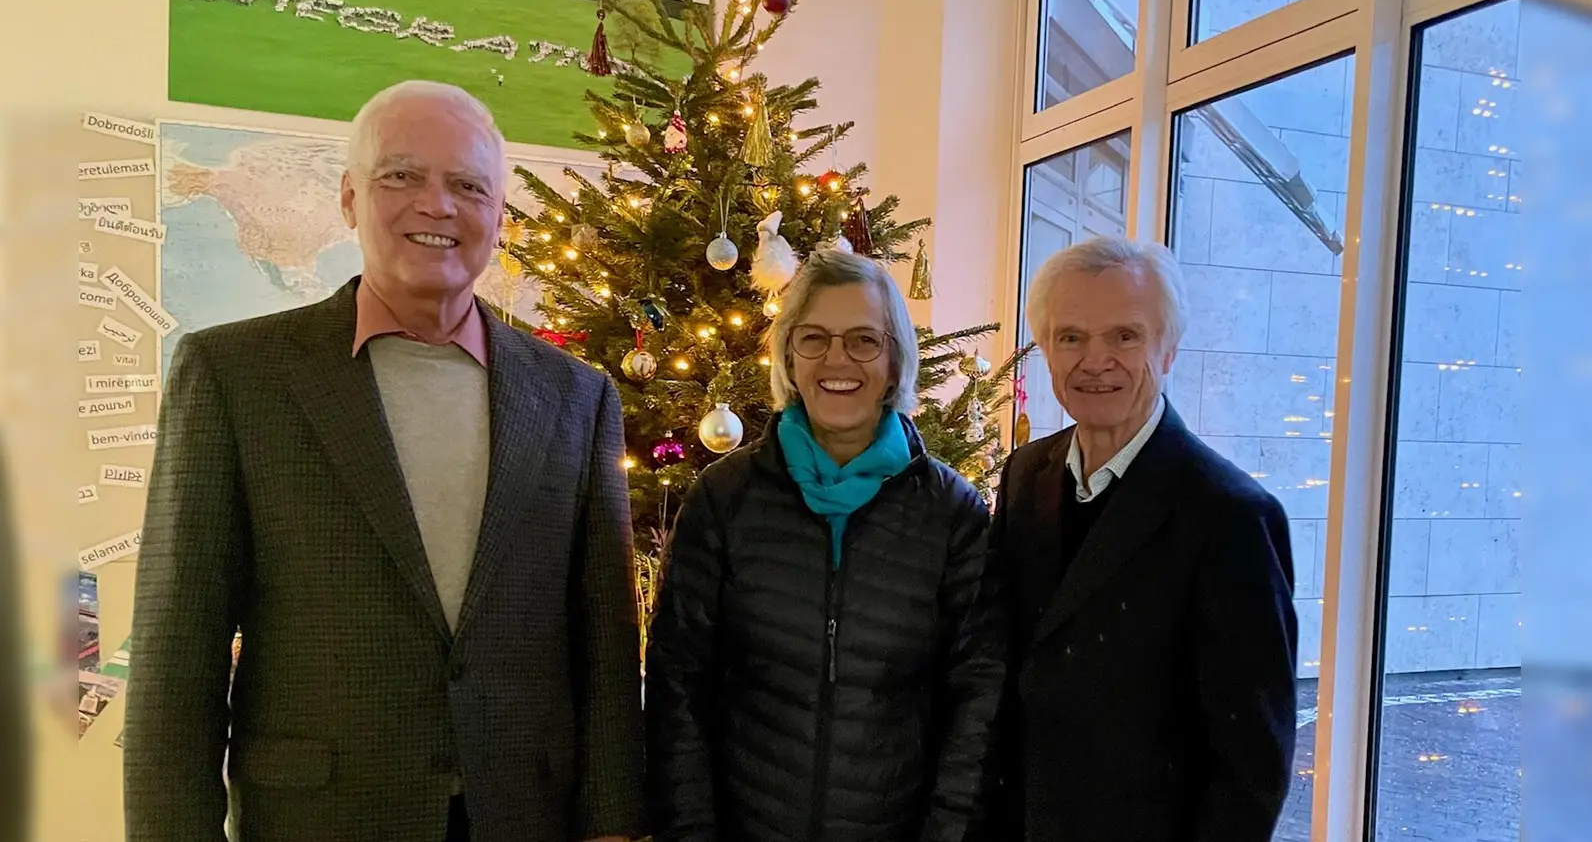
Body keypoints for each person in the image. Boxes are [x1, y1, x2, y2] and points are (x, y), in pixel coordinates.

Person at [123, 81, 643, 842]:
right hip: (320, 818)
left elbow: (603, 642)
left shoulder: (577, 396)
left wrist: (612, 824)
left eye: (469, 186)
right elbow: (179, 649)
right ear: (349, 199)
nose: (437, 205)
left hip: (524, 814)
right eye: (402, 175)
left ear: (500, 215)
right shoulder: (235, 375)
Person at [645, 249, 1006, 841]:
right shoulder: (725, 498)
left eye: (864, 340)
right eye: (814, 338)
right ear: (789, 356)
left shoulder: (952, 513)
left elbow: (977, 703)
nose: (838, 360)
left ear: (894, 360)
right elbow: (677, 684)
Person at [992, 236, 1297, 842]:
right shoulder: (1025, 475)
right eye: (1071, 337)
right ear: (1046, 351)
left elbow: (1251, 766)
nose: (1095, 360)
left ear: (1168, 350)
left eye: (1125, 336)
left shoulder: (1230, 516)